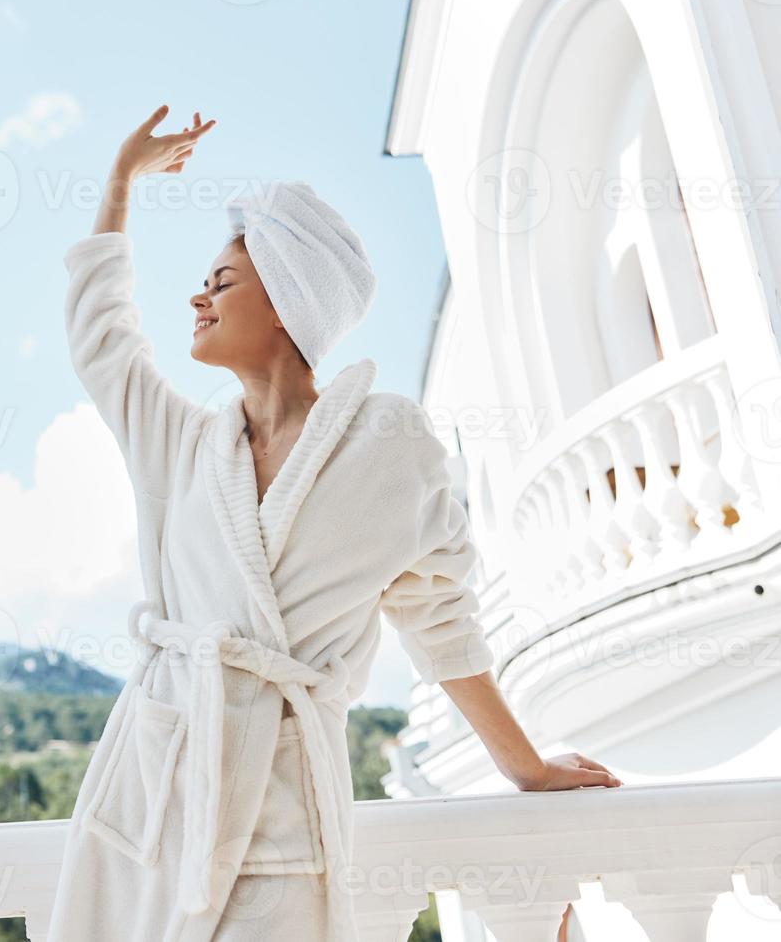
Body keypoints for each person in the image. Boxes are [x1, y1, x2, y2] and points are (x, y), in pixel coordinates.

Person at [44, 105, 622, 942]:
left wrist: (525, 767)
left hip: (283, 799)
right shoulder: (181, 444)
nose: (198, 296)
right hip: (156, 782)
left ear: (285, 301)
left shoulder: (390, 446)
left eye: (222, 281)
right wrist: (119, 184)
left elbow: (441, 620)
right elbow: (103, 342)